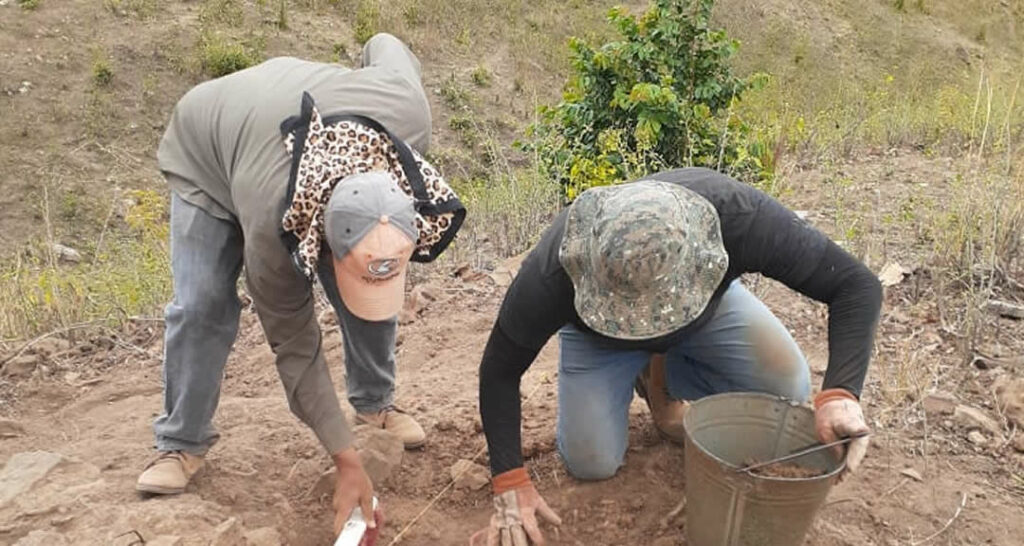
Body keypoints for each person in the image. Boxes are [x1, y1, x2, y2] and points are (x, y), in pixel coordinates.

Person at [137, 33, 465, 537]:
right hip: (210, 149)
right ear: (319, 242)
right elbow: (295, 347)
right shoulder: (274, 230)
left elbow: (386, 42)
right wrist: (346, 459)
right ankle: (181, 442)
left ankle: (375, 402)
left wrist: (350, 71)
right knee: (203, 304)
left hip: (282, 107)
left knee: (371, 273)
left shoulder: (407, 110)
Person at [472, 168, 882, 545]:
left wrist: (841, 393)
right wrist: (509, 480)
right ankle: (643, 373)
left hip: (707, 315)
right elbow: (499, 371)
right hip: (599, 342)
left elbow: (855, 286)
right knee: (591, 461)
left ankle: (658, 378)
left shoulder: (737, 216)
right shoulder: (554, 270)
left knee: (785, 383)